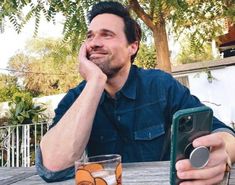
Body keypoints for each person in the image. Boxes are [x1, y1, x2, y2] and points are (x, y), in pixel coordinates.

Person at [36, 1, 235, 184]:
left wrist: (221, 154)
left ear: (132, 46)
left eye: (106, 34)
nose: (93, 43)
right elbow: (53, 167)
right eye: (90, 36)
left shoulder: (160, 85)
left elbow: (223, 133)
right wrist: (95, 81)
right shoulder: (77, 97)